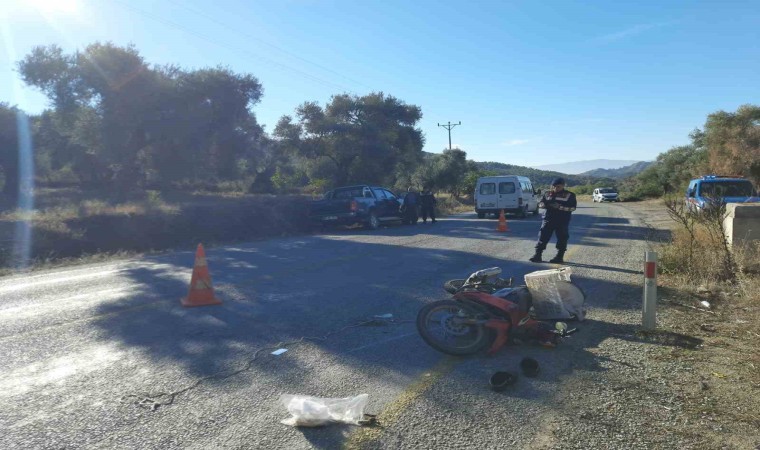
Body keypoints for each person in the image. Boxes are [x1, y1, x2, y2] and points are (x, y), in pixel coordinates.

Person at [529, 178, 577, 263]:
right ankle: (537, 255)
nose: (555, 188)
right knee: (542, 236)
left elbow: (573, 208)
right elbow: (541, 202)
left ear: (563, 186)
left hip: (562, 220)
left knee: (562, 238)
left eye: (558, 186)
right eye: (554, 186)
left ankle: (559, 256)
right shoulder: (547, 194)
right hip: (548, 219)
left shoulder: (569, 195)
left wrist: (560, 207)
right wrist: (542, 205)